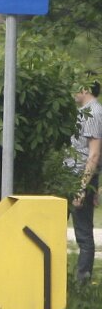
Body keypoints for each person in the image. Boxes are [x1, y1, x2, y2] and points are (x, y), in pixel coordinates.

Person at [67, 81, 101, 283]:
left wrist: (83, 188)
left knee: (83, 232)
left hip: (80, 176)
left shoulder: (93, 113)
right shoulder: (86, 111)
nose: (73, 91)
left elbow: (94, 154)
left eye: (76, 86)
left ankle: (82, 281)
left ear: (86, 89)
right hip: (76, 175)